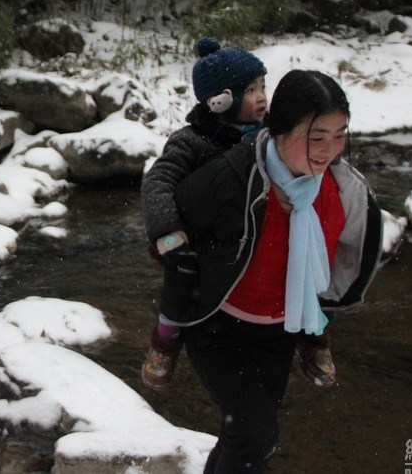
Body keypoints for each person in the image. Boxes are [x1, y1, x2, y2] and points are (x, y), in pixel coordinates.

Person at [169, 70, 383, 472]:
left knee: (249, 437)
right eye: (317, 136)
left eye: (340, 135)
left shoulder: (343, 189)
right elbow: (172, 225)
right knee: (254, 433)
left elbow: (351, 256)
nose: (330, 150)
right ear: (280, 130)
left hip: (281, 329)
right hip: (215, 325)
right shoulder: (234, 176)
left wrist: (323, 314)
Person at [139, 37, 268, 392]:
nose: (260, 97)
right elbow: (159, 180)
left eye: (262, 87)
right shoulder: (193, 140)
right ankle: (165, 340)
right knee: (183, 281)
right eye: (250, 90)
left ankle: (308, 331)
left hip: (247, 230)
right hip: (201, 235)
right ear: (220, 99)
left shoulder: (269, 135)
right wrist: (167, 230)